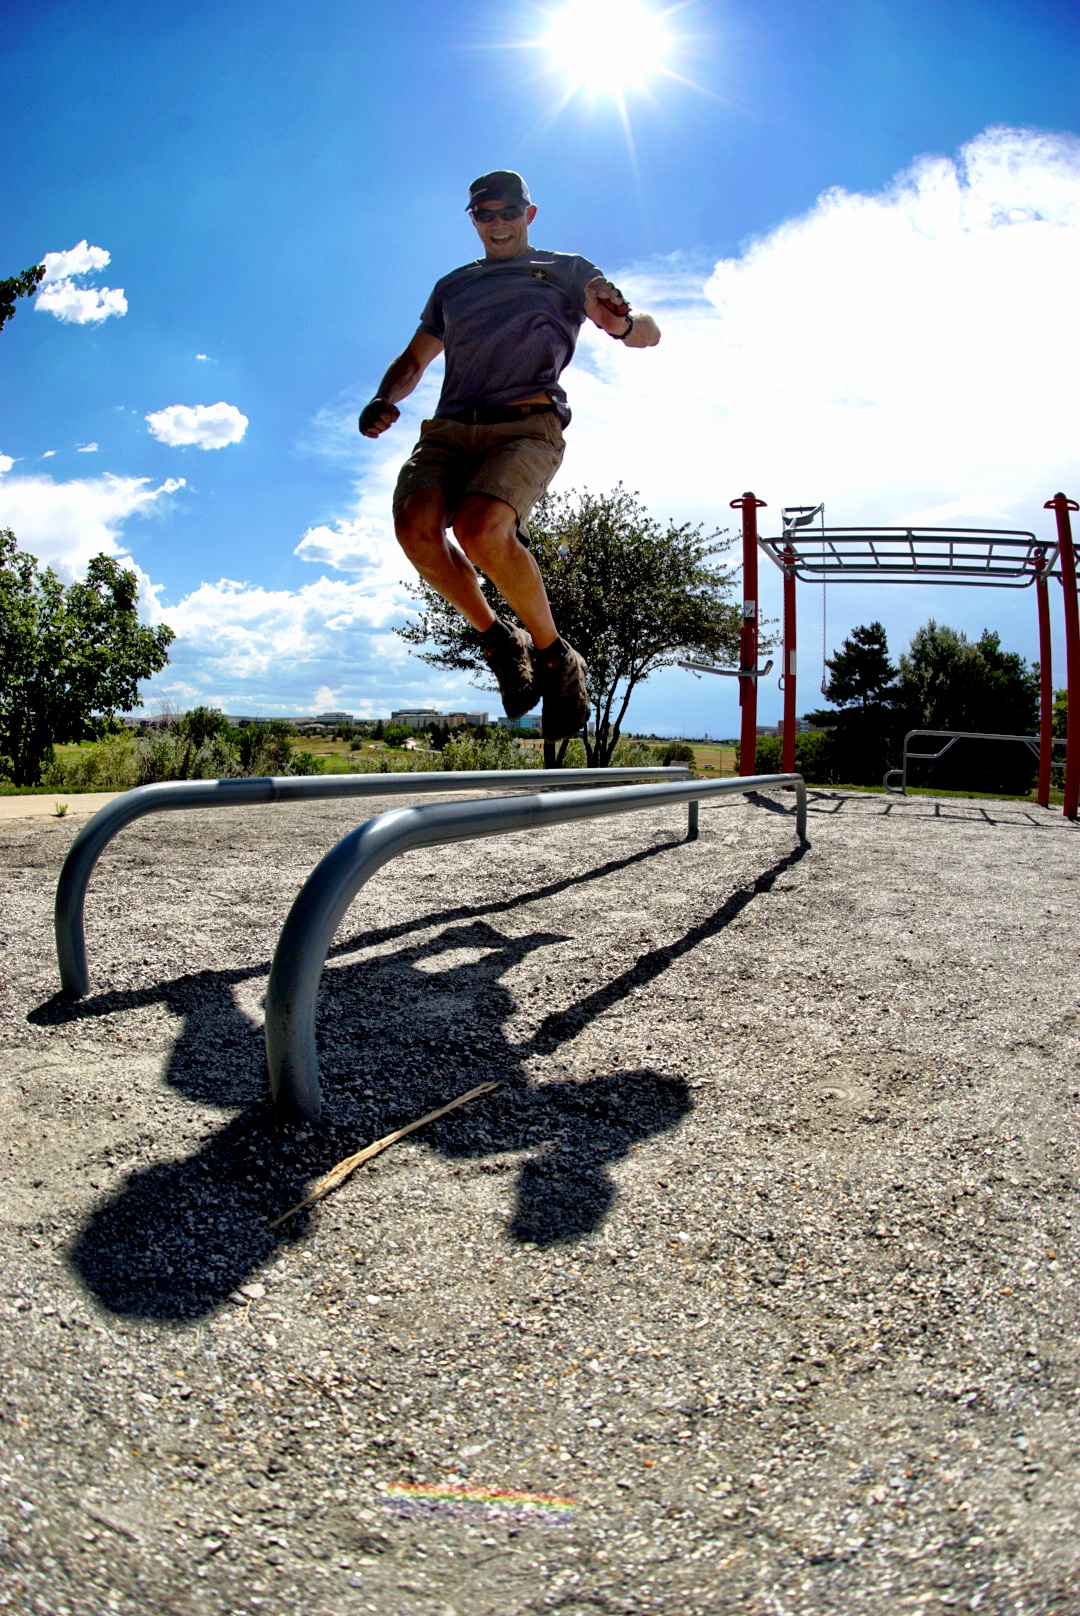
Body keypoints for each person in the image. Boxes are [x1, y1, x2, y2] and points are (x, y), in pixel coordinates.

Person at [358, 169, 661, 740]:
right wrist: (383, 397)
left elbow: (646, 331)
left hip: (526, 425)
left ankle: (555, 657)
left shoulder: (565, 270)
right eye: (483, 215)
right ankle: (499, 639)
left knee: (480, 528)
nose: (497, 224)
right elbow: (414, 361)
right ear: (473, 220)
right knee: (415, 529)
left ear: (530, 213)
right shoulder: (453, 286)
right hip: (449, 428)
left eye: (507, 212)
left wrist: (622, 320)